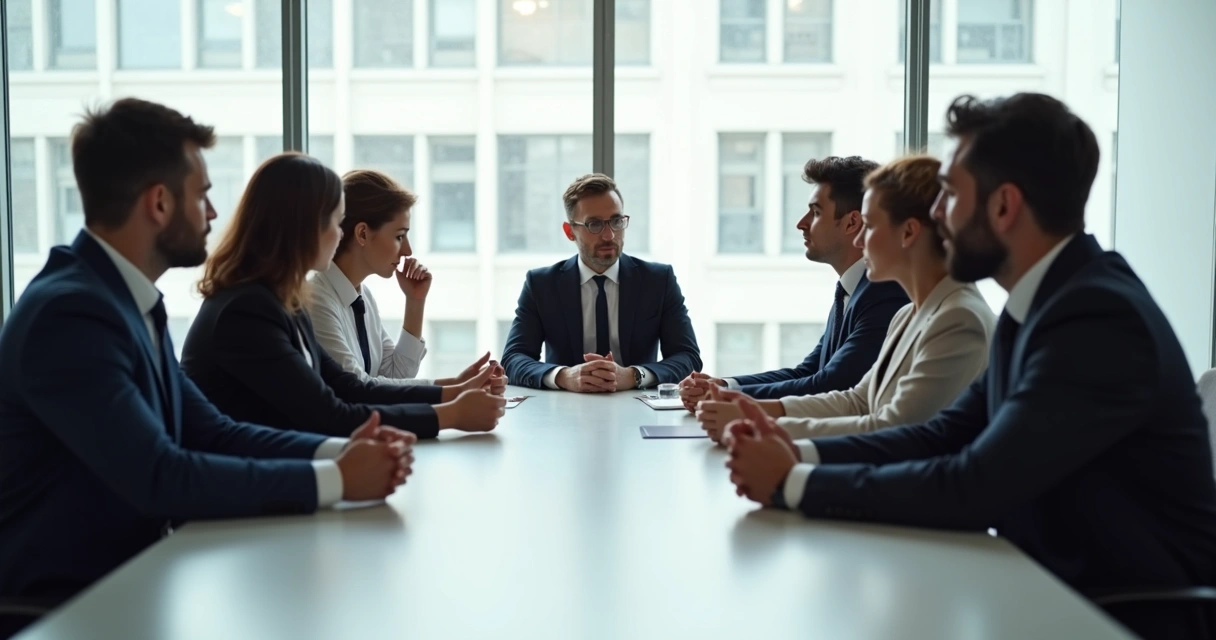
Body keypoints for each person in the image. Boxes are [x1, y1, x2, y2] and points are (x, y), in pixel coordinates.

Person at [723, 93, 1216, 640]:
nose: (936, 214)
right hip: (1038, 589)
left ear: (1004, 206)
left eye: (951, 194)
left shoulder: (1095, 316)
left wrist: (794, 482)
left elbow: (976, 482)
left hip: (1112, 615)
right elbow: (944, 433)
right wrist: (795, 451)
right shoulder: (1040, 302)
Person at [0, 98, 414, 637]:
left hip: (134, 582)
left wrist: (343, 452)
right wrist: (336, 478)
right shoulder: (71, 314)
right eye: (203, 195)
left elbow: (210, 430)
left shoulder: (123, 300)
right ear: (159, 203)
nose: (214, 214)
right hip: (66, 609)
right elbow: (160, 475)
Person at [181, 153, 505, 440]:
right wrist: (451, 414)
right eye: (337, 223)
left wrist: (455, 393)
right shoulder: (248, 309)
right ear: (304, 227)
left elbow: (351, 388)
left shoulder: (281, 301)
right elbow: (331, 414)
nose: (340, 235)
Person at [696, 155, 995, 443]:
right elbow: (856, 401)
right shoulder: (906, 314)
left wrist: (759, 426)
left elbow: (891, 428)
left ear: (908, 232)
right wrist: (749, 409)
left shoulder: (959, 318)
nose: (860, 241)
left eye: (871, 226)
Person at [679, 156, 908, 404]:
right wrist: (724, 384)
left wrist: (724, 396)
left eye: (816, 212)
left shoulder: (883, 293)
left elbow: (832, 384)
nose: (801, 223)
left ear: (852, 222)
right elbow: (808, 371)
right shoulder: (850, 289)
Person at [307, 169, 505, 392]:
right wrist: (453, 388)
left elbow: (393, 375)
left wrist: (415, 301)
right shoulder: (317, 300)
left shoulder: (362, 297)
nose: (408, 251)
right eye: (399, 236)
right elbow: (356, 388)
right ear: (362, 234)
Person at [501, 173, 702, 392]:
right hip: (563, 409)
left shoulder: (658, 281)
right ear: (570, 232)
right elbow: (513, 360)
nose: (609, 235)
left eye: (616, 221)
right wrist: (564, 376)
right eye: (594, 224)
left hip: (638, 410)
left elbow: (688, 357)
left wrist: (633, 375)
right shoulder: (542, 284)